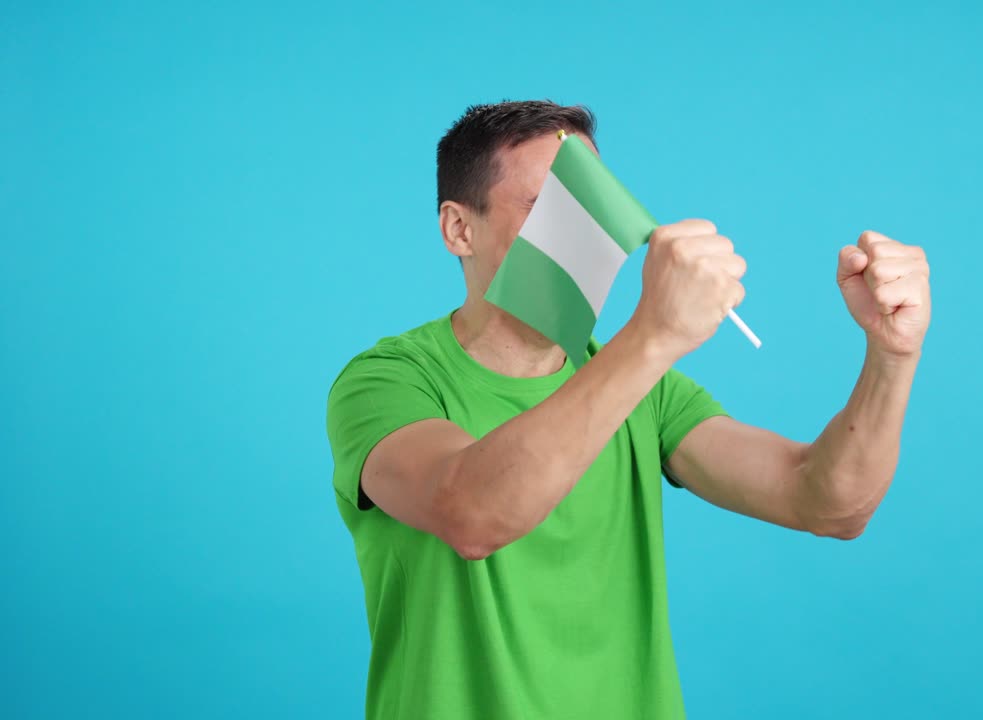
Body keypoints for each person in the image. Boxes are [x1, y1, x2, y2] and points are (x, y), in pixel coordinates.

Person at [326, 100, 932, 720]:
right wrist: (655, 333)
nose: (582, 232)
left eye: (591, 207)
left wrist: (893, 354)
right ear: (460, 229)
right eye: (546, 208)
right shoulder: (388, 382)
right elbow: (474, 513)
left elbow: (829, 504)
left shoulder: (647, 387)